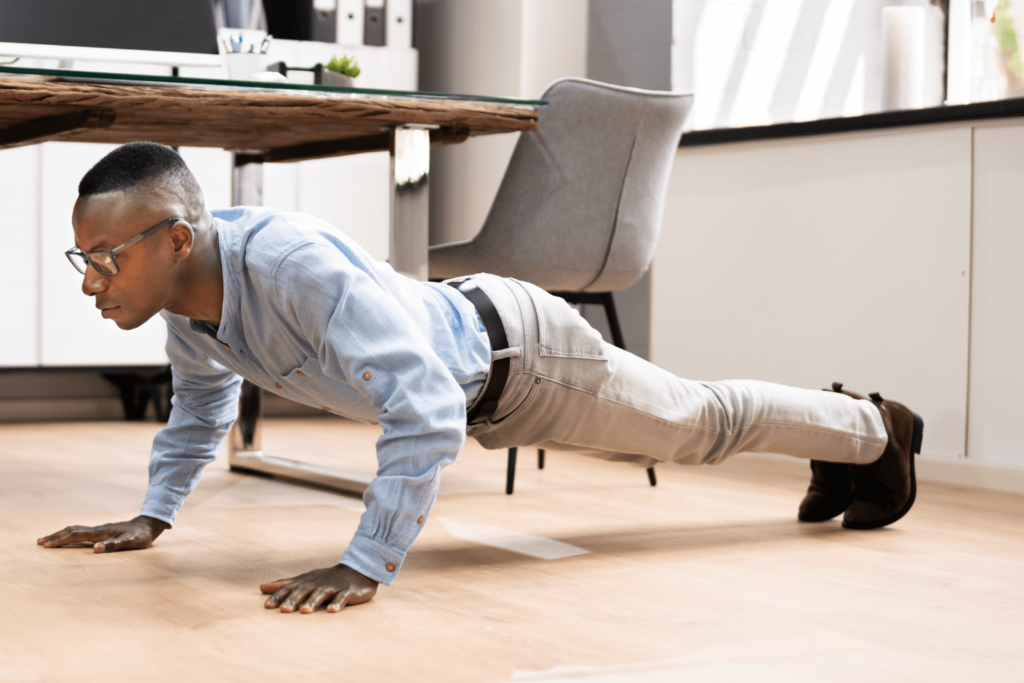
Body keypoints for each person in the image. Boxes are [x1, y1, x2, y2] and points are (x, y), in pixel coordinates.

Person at [37, 142, 923, 615]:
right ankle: (847, 437)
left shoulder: (293, 266)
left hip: (526, 356)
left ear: (177, 239)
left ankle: (877, 429)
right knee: (698, 422)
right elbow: (199, 407)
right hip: (478, 365)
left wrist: (365, 562)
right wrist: (154, 511)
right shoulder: (192, 311)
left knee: (698, 425)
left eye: (107, 258)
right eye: (85, 256)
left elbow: (421, 410)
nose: (91, 280)